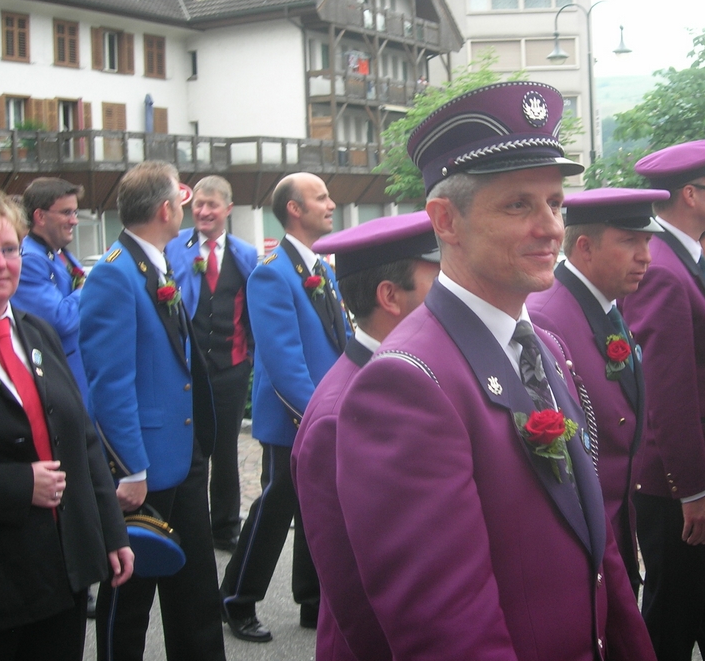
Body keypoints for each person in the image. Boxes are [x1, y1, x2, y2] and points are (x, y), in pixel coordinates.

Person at [332, 82, 655, 659]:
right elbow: (449, 631)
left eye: (555, 203)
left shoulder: (544, 345)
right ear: (446, 221)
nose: (551, 227)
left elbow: (597, 544)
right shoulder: (406, 383)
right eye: (518, 205)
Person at [0, 191, 132, 660]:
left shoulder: (37, 331)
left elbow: (82, 438)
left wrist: (110, 531)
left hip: (60, 573)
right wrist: (17, 484)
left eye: (10, 249)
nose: (0, 263)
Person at [79, 161, 225, 661]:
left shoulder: (156, 262)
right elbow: (109, 383)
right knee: (129, 600)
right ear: (166, 210)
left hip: (182, 452)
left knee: (196, 590)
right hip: (143, 465)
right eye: (181, 202)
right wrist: (130, 469)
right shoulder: (114, 273)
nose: (185, 209)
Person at [619, 139, 705, 661]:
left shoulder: (684, 259)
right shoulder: (664, 269)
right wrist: (692, 489)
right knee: (672, 619)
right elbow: (667, 391)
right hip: (686, 485)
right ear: (690, 194)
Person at [294, 211, 440, 661]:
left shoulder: (411, 371)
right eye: (438, 281)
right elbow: (352, 587)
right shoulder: (337, 415)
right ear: (389, 296)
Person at [220, 172, 351, 642]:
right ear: (294, 209)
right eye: (321, 198)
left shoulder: (321, 268)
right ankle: (237, 598)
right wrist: (318, 413)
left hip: (325, 407)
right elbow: (282, 360)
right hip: (295, 415)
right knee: (276, 506)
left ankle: (311, 600)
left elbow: (341, 338)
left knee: (319, 505)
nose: (331, 204)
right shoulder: (271, 273)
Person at [527, 186, 667, 596]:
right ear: (584, 247)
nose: (646, 256)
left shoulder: (605, 303)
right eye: (630, 241)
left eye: (647, 241)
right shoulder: (548, 318)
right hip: (586, 538)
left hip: (617, 523)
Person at [166, 176, 256, 553]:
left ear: (227, 210)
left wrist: (248, 358)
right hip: (187, 369)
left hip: (231, 367)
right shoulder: (174, 247)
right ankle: (186, 526)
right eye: (198, 205)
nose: (203, 212)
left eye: (211, 205)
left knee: (225, 452)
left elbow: (255, 309)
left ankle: (225, 527)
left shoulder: (245, 254)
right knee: (188, 449)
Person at [12, 178, 89, 402]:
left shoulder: (58, 252)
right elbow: (59, 319)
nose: (74, 220)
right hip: (60, 378)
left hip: (79, 373)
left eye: (75, 212)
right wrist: (86, 289)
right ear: (40, 216)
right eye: (66, 212)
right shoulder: (29, 260)